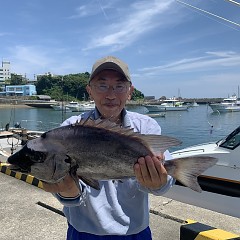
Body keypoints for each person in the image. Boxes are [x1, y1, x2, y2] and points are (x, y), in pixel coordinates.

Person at [43, 56, 175, 240]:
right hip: (83, 231)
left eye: (119, 86)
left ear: (130, 91)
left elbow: (164, 184)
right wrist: (67, 190)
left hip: (135, 231)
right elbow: (71, 197)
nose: (111, 95)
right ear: (90, 90)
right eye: (102, 85)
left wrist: (158, 182)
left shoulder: (146, 127)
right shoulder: (70, 129)